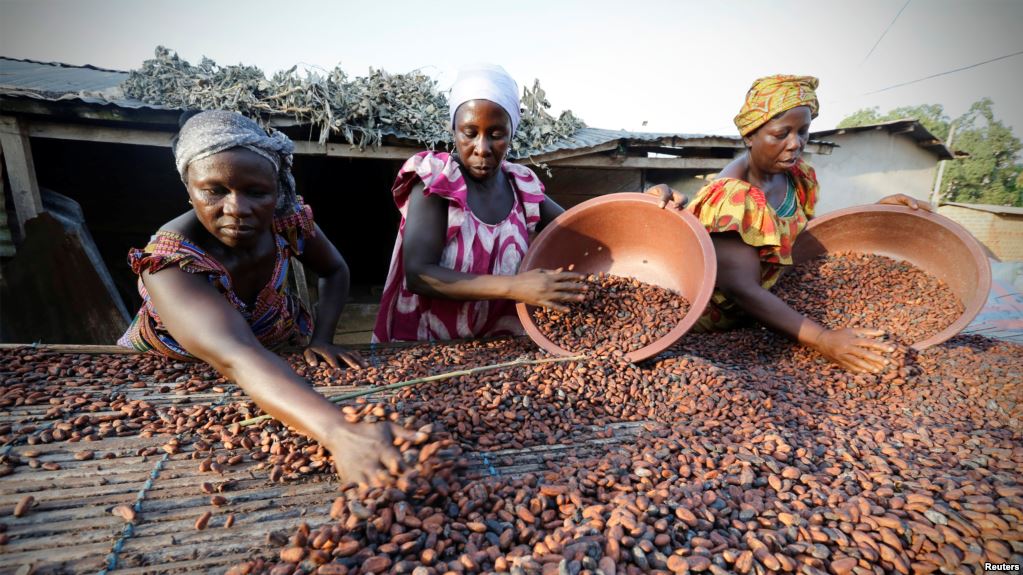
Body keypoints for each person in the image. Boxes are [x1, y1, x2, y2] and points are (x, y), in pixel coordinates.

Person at [118, 110, 410, 484]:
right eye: (214, 190)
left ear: (277, 190)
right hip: (179, 375)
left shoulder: (286, 221)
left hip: (273, 356)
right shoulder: (169, 262)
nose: (237, 209)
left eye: (257, 192)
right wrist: (340, 432)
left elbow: (335, 270)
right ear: (188, 188)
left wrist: (323, 337)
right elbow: (236, 354)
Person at [666, 75, 932, 373]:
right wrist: (822, 339)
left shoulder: (794, 176)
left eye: (803, 131)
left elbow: (806, 234)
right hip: (721, 328)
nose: (796, 144)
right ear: (750, 137)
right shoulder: (732, 198)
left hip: (775, 313)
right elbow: (742, 289)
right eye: (781, 134)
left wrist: (874, 215)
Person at [373, 64, 589, 342]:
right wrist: (514, 287)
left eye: (496, 134)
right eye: (470, 132)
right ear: (453, 130)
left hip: (502, 351)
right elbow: (419, 274)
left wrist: (650, 202)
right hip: (430, 350)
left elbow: (587, 227)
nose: (482, 148)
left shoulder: (523, 187)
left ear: (512, 132)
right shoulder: (437, 181)